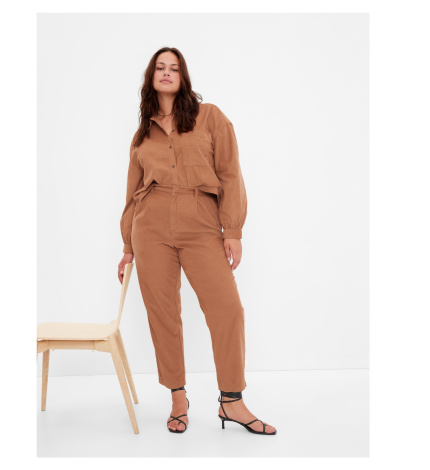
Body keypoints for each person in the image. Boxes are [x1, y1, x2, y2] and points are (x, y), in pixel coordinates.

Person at [118, 47, 276, 435]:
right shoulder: (142, 134)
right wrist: (127, 247)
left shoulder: (210, 117)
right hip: (150, 227)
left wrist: (232, 230)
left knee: (228, 309)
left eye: (174, 68)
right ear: (151, 77)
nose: (166, 72)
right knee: (163, 314)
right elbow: (132, 192)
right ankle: (178, 398)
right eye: (160, 67)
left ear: (183, 76)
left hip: (202, 222)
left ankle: (232, 401)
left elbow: (230, 174)